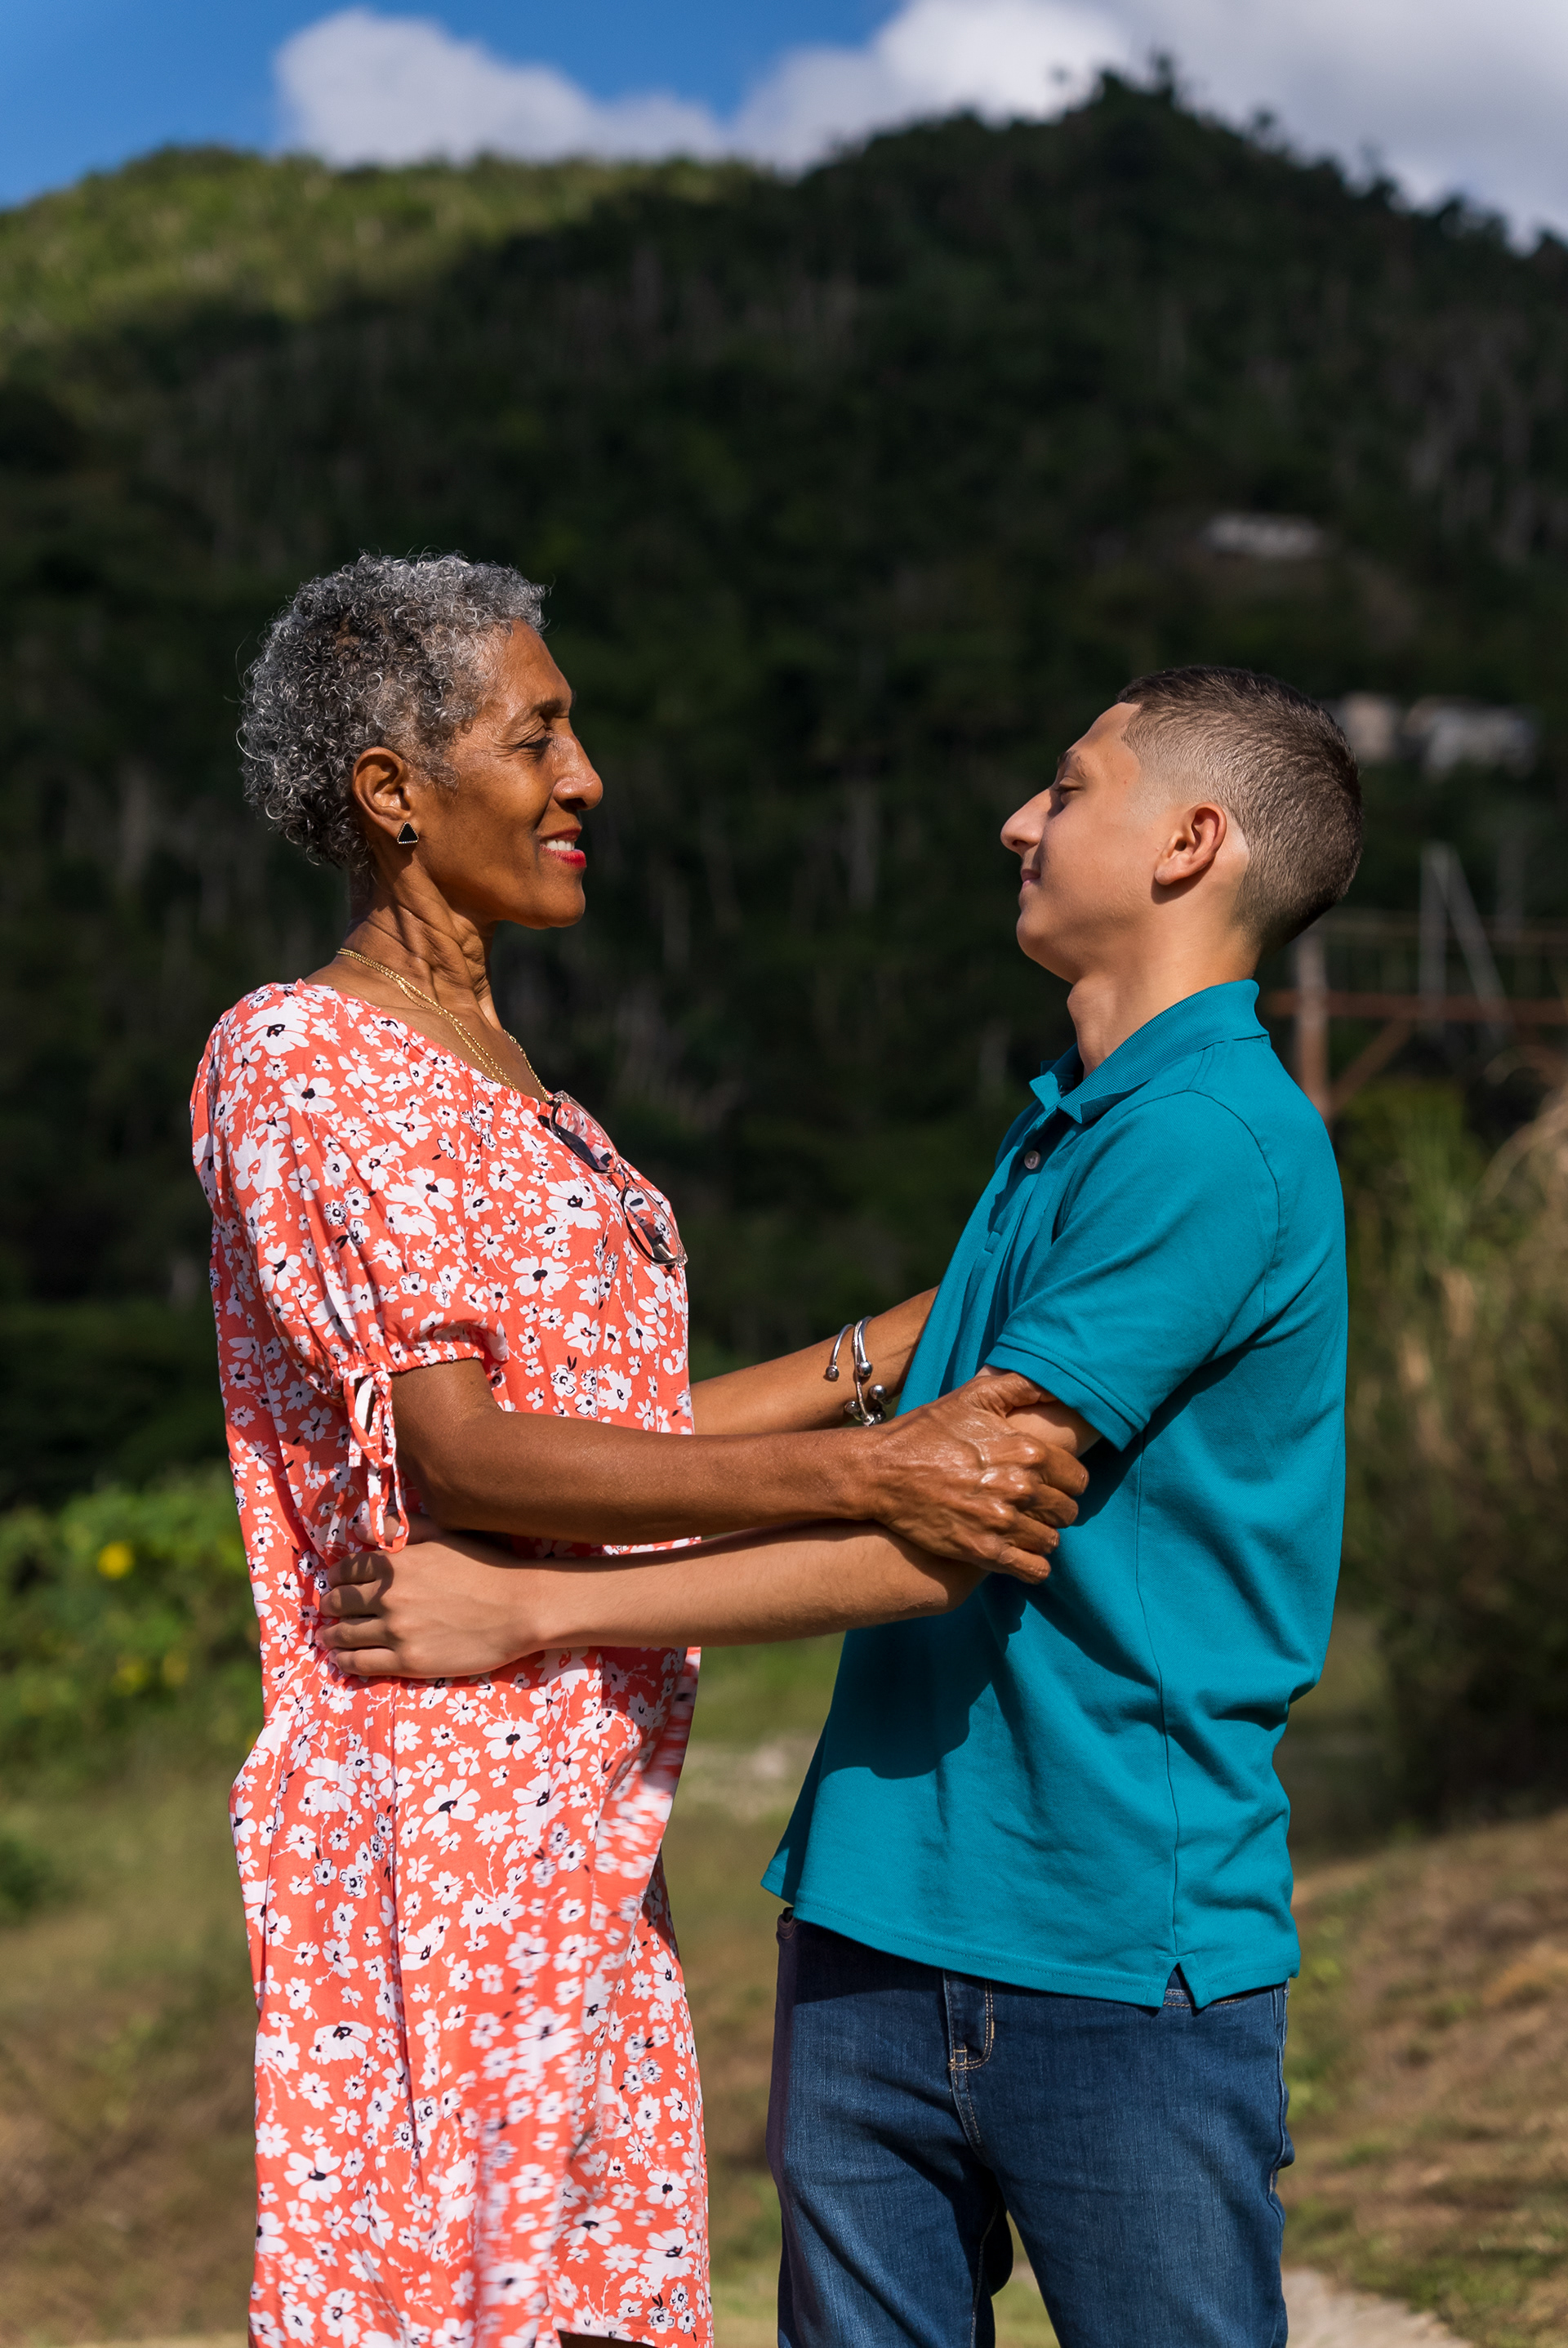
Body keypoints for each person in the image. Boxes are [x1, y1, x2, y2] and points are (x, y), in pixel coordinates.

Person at [334, 666, 1361, 2348]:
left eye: (1068, 787)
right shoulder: (1071, 1133)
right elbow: (883, 1405)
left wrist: (533, 1603)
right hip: (878, 1916)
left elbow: (933, 1535)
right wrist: (526, 1461)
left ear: (1190, 844)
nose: (1018, 822)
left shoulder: (1209, 1139)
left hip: (1111, 1940)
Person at [194, 552, 1085, 2348]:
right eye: (538, 736)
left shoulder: (517, 1083)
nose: (585, 777)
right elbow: (468, 1458)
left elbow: (604, 1434)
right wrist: (872, 1473)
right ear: (392, 791)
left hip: (582, 1805)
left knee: (602, 2307)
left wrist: (896, 1349)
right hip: (444, 1822)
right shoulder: (304, 1057)